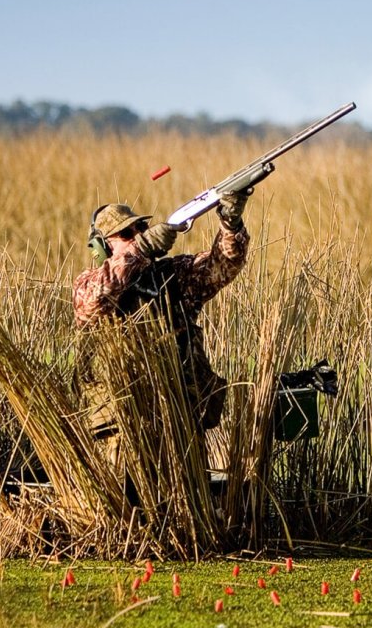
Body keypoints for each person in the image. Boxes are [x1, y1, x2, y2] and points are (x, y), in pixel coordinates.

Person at [71, 193, 250, 461]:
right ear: (103, 247)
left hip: (180, 424)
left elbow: (222, 265)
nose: (137, 234)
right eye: (125, 233)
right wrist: (141, 250)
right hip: (122, 432)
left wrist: (231, 223)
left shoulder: (172, 277)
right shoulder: (89, 283)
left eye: (141, 228)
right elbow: (93, 301)